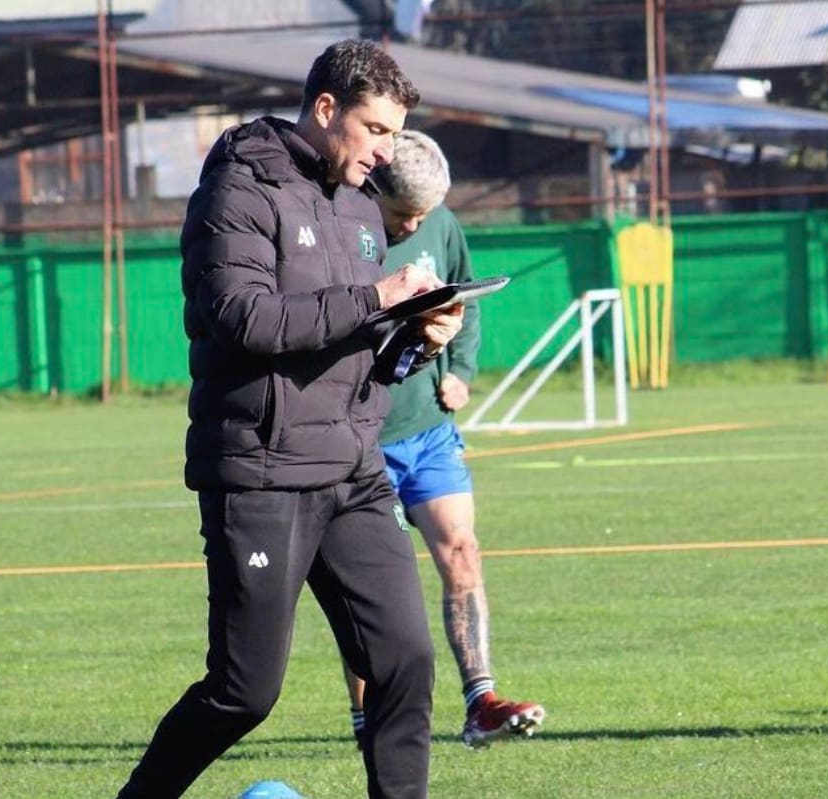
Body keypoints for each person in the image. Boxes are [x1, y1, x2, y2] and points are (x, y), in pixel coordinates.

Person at [115, 40, 464, 799]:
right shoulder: (238, 185)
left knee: (405, 660)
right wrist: (380, 299)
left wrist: (414, 336)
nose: (384, 152)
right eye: (375, 130)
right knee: (245, 691)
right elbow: (244, 319)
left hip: (352, 470)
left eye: (394, 136)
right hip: (261, 472)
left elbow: (356, 352)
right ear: (327, 108)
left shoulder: (361, 206)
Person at [342, 130, 546, 749]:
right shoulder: (342, 229)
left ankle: (480, 701)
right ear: (374, 192)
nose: (419, 224)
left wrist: (458, 369)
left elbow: (467, 296)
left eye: (426, 215)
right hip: (361, 439)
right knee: (370, 587)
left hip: (429, 429)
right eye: (407, 216)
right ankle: (368, 720)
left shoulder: (443, 222)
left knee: (461, 549)